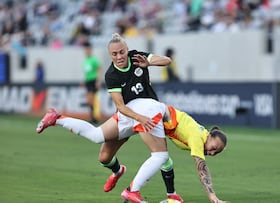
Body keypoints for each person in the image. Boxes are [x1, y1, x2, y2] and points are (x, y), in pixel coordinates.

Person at [37, 33, 175, 203]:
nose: (119, 57)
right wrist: (139, 118)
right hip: (130, 116)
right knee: (103, 154)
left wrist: (149, 62)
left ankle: (171, 195)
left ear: (127, 50)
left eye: (122, 52)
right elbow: (120, 107)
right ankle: (57, 118)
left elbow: (167, 60)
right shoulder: (112, 75)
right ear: (110, 55)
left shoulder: (136, 56)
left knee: (160, 155)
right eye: (114, 54)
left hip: (148, 113)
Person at [36, 103, 228, 203]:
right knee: (159, 156)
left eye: (216, 152)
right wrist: (212, 196)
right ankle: (130, 187)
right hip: (148, 118)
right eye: (214, 147)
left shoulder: (200, 135)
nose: (211, 152)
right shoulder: (197, 136)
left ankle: (169, 194)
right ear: (210, 135)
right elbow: (200, 166)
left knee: (159, 157)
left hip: (146, 118)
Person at [82, 41, 102, 124]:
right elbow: (86, 73)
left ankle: (94, 118)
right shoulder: (85, 60)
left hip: (93, 81)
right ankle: (93, 117)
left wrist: (98, 81)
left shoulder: (93, 60)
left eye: (88, 50)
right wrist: (84, 81)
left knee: (92, 99)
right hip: (88, 81)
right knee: (89, 100)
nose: (86, 52)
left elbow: (99, 69)